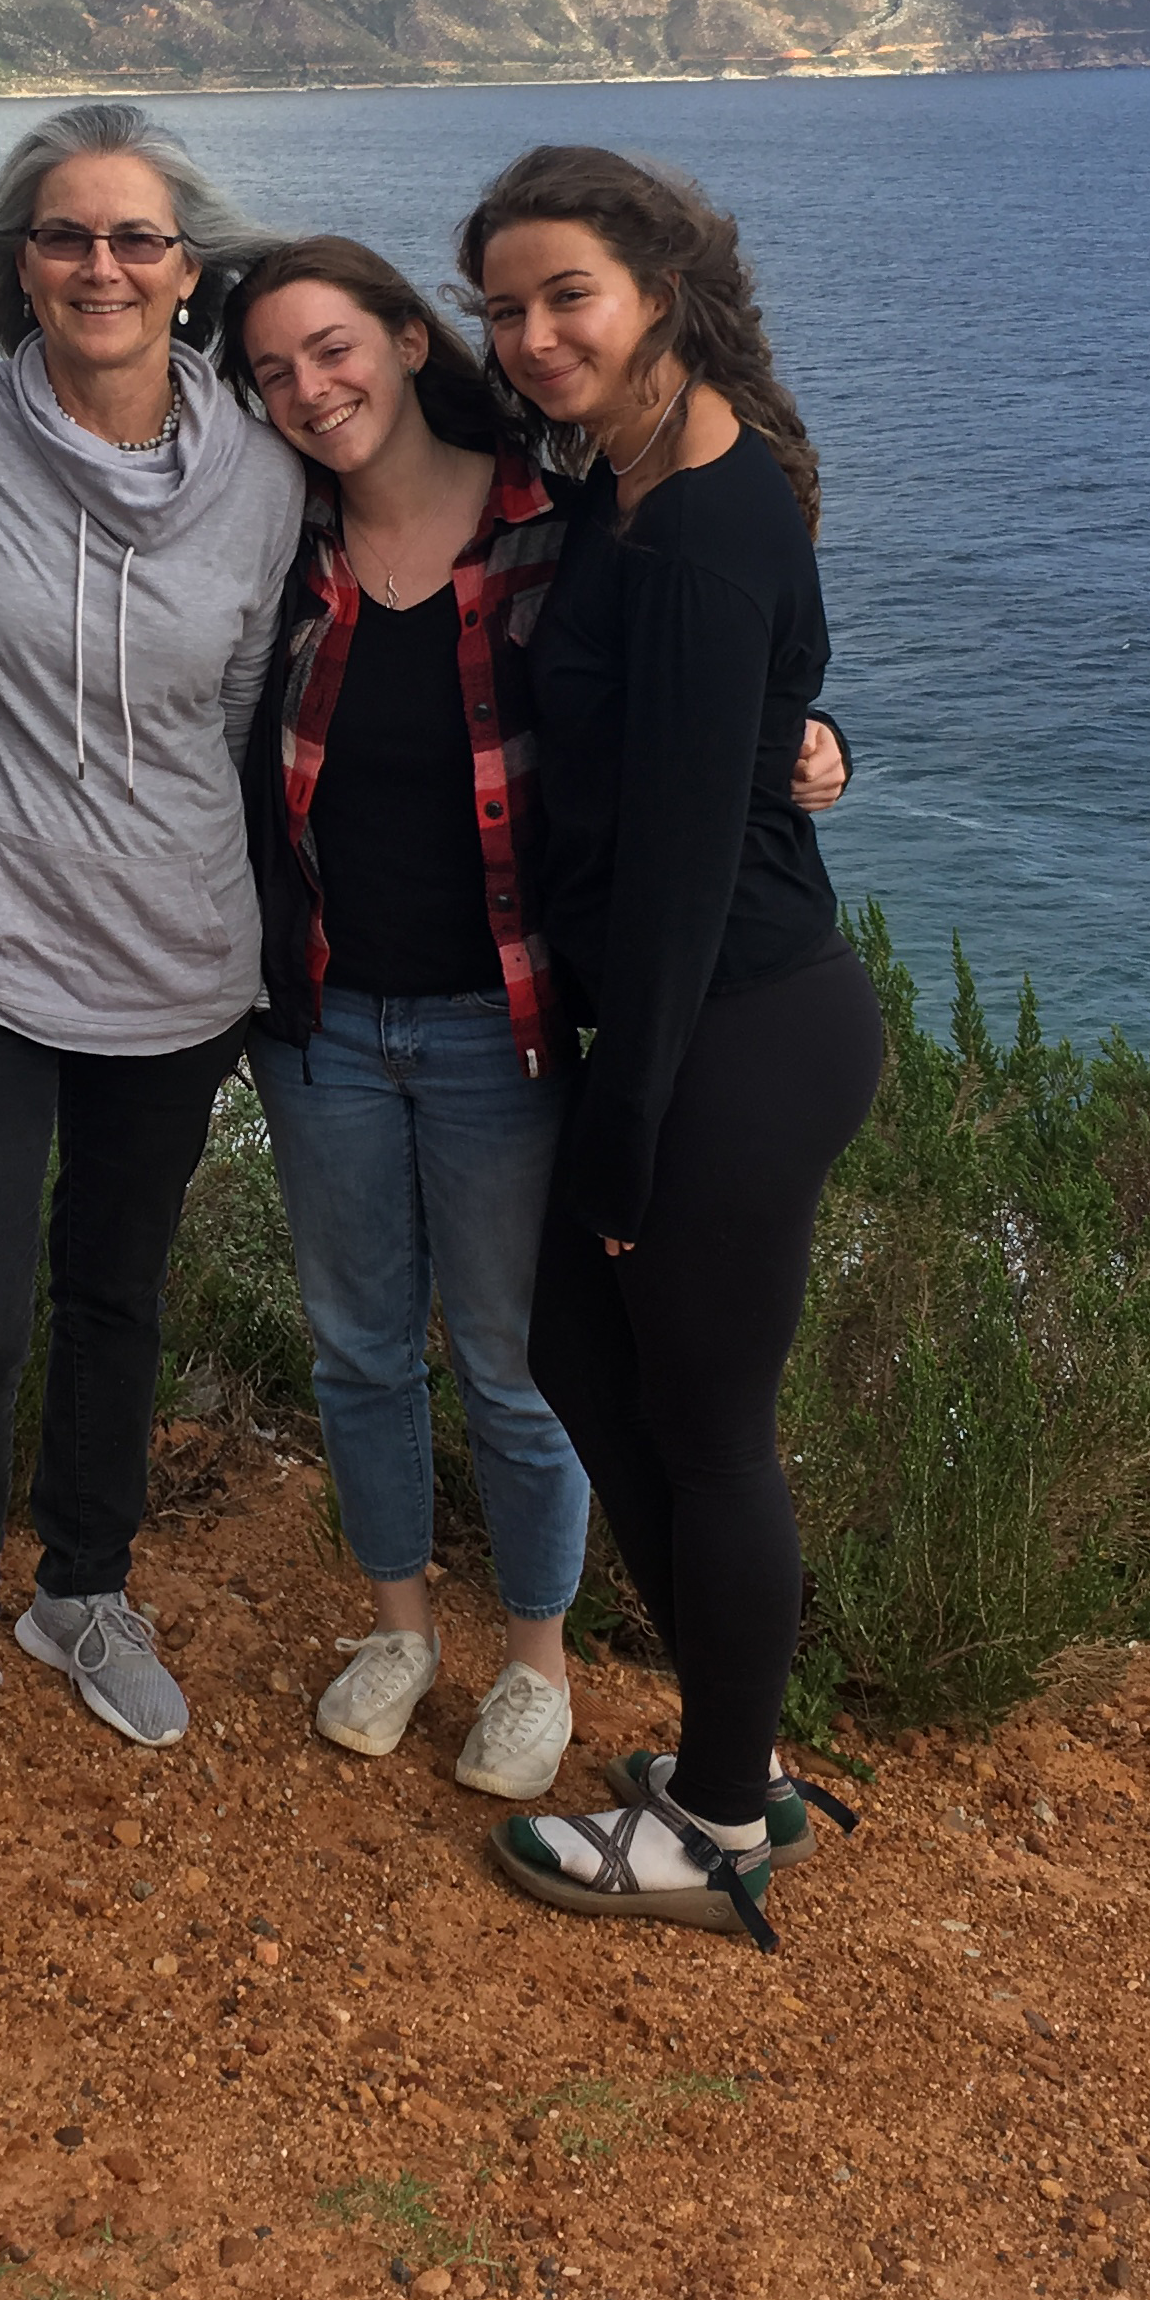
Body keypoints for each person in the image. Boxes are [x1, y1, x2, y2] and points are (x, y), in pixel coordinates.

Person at [225, 240, 850, 1804]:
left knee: (519, 1362)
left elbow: (704, 676)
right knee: (362, 1349)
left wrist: (820, 734)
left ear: (409, 342)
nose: (311, 390)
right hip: (317, 1018)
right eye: (271, 370)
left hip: (501, 1021)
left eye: (335, 348)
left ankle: (537, 1662)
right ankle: (397, 1631)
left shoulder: (558, 526)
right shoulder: (269, 538)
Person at [0, 101, 302, 1801]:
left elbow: (270, 707)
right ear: (14, 264)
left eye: (135, 239)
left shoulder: (270, 476)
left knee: (118, 1295)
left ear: (190, 272)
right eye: (63, 235)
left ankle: (85, 1593)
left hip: (180, 954)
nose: (99, 265)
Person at [462, 146, 886, 1952]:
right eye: (504, 307)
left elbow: (696, 863)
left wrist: (625, 1123)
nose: (537, 334)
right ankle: (736, 1741)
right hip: (686, 1024)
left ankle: (720, 1814)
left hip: (727, 1027)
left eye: (569, 295)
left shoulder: (704, 520)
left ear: (661, 288)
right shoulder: (637, 481)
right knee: (581, 1351)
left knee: (706, 1428)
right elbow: (734, 736)